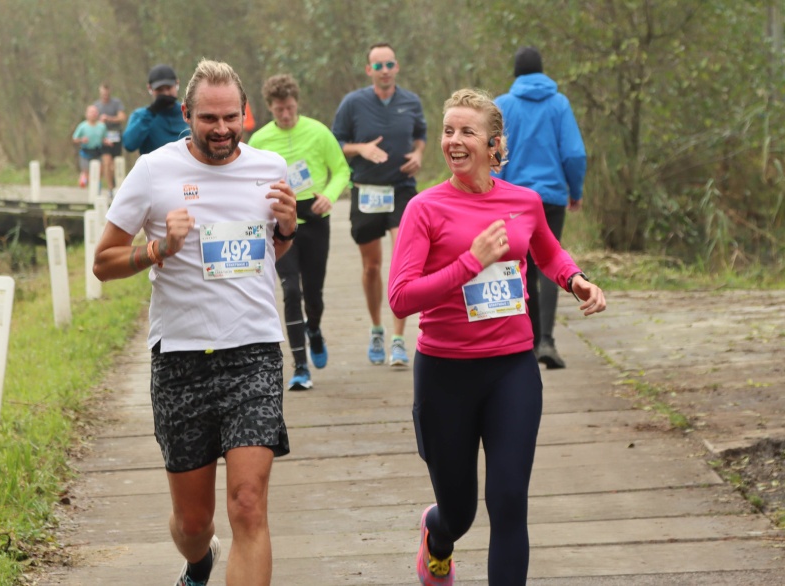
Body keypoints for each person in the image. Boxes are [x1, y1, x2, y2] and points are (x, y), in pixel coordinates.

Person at [93, 58, 298, 586]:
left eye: (231, 117)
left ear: (245, 114)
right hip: (181, 358)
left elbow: (265, 254)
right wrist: (159, 249)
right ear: (187, 114)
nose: (223, 129)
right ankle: (198, 562)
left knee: (248, 505)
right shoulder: (154, 171)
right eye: (209, 118)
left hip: (253, 352)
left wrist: (288, 231)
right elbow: (104, 260)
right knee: (193, 522)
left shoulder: (270, 167)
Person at [388, 88, 606, 585]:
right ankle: (436, 537)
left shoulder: (524, 201)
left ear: (494, 144)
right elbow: (401, 298)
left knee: (509, 502)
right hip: (444, 373)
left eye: (467, 132)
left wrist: (576, 281)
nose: (454, 141)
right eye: (448, 131)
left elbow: (547, 253)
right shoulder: (424, 209)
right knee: (459, 512)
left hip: (511, 367)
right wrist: (471, 262)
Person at [249, 74, 350, 391]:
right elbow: (247, 181)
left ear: (297, 104)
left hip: (315, 217)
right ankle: (301, 367)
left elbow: (342, 169)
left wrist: (329, 196)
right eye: (279, 110)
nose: (286, 115)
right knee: (291, 291)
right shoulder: (259, 141)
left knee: (314, 296)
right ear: (270, 108)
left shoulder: (318, 132)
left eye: (290, 108)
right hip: (280, 223)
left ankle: (315, 330)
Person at [331, 42, 427, 367]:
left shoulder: (411, 101)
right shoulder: (353, 103)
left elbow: (422, 135)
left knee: (404, 261)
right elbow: (337, 144)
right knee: (372, 267)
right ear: (369, 70)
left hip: (401, 189)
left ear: (397, 67)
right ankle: (376, 329)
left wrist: (418, 155)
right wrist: (361, 149)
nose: (385, 70)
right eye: (378, 65)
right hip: (366, 190)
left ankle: (399, 339)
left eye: (390, 64)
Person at [492, 46, 587, 369]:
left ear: (516, 73)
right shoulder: (559, 104)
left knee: (522, 267)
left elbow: (494, 154)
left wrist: (493, 193)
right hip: (550, 198)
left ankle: (529, 345)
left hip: (513, 201)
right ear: (542, 71)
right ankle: (547, 340)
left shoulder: (503, 105)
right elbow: (574, 154)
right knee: (550, 262)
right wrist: (575, 191)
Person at [122, 63, 190, 155]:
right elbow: (129, 145)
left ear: (177, 84)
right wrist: (151, 112)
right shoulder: (140, 116)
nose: (165, 93)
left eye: (169, 88)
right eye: (160, 90)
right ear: (150, 88)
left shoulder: (189, 113)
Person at [94, 82, 126, 193]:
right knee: (107, 162)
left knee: (116, 163)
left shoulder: (116, 103)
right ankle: (111, 188)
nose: (105, 96)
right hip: (103, 137)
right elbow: (91, 121)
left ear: (109, 92)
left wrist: (109, 119)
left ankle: (118, 185)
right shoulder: (96, 106)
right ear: (100, 93)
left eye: (106, 94)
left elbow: (122, 117)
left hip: (115, 135)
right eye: (103, 94)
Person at [71, 105, 110, 188]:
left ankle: (97, 188)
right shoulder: (82, 126)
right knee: (88, 176)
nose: (93, 114)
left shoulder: (102, 126)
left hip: (97, 152)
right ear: (87, 114)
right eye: (91, 112)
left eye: (95, 112)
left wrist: (107, 141)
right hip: (85, 153)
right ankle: (84, 178)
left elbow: (103, 138)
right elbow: (74, 139)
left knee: (99, 173)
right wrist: (81, 140)